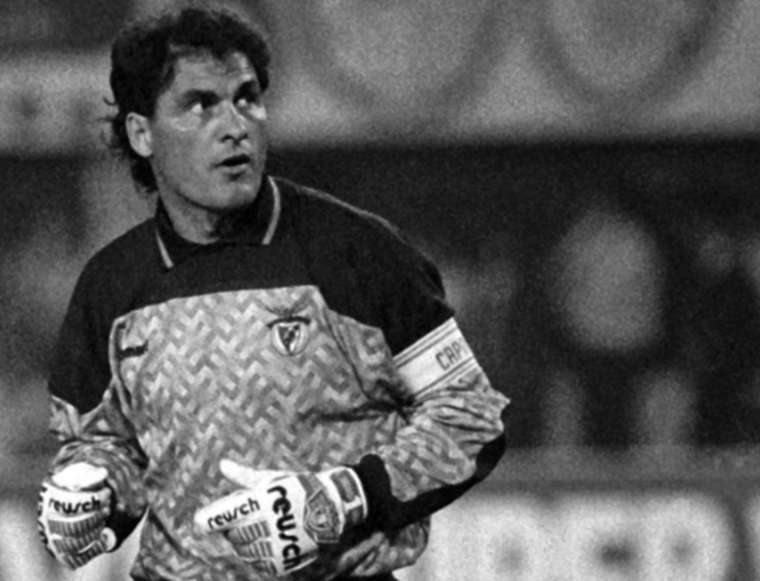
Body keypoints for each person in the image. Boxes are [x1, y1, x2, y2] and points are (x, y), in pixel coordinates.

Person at [37, 5, 509, 580]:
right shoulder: (110, 285)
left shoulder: (357, 253)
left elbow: (471, 417)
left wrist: (346, 497)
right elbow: (101, 447)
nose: (235, 125)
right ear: (142, 134)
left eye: (247, 98)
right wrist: (91, 495)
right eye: (200, 104)